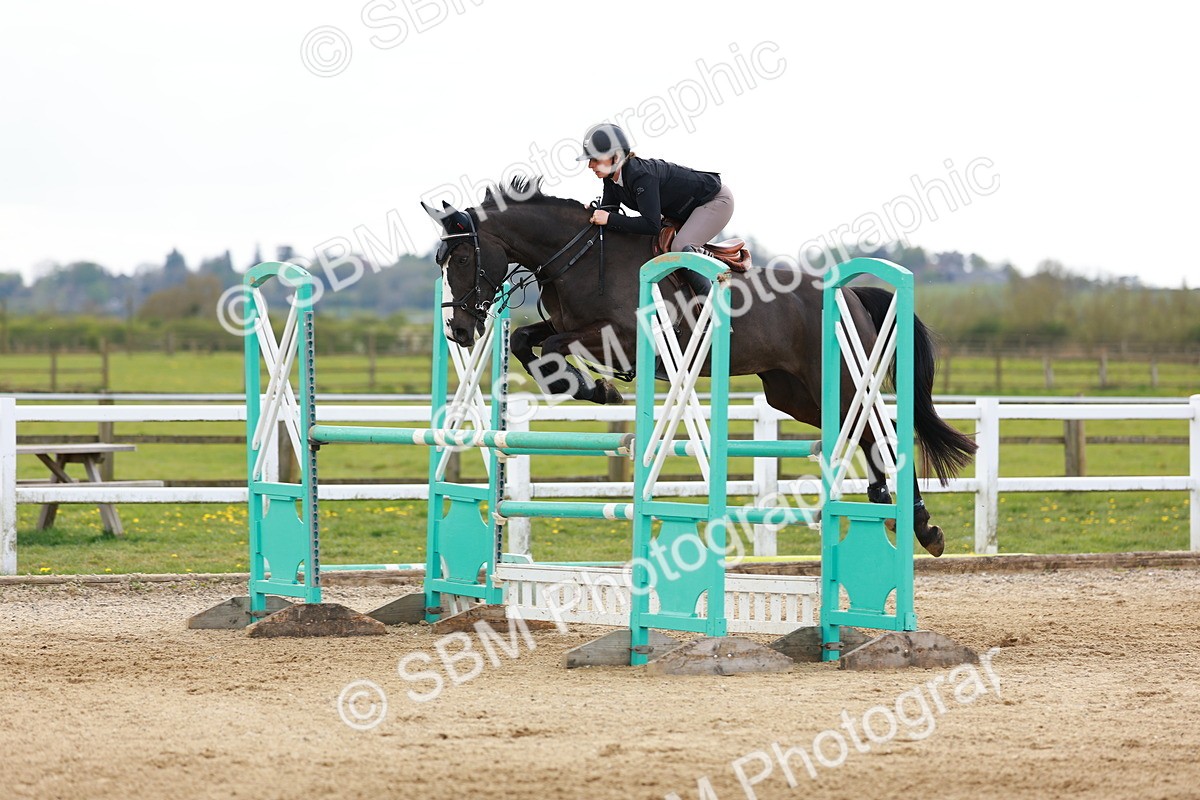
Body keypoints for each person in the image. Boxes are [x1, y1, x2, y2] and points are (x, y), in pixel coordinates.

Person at [577, 123, 733, 295]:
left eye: (595, 159)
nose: (590, 165)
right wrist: (591, 213)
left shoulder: (641, 175)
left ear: (616, 157)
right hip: (687, 210)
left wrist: (608, 218)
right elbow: (610, 212)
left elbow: (651, 225)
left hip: (715, 200)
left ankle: (714, 307)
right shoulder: (611, 179)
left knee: (680, 246)